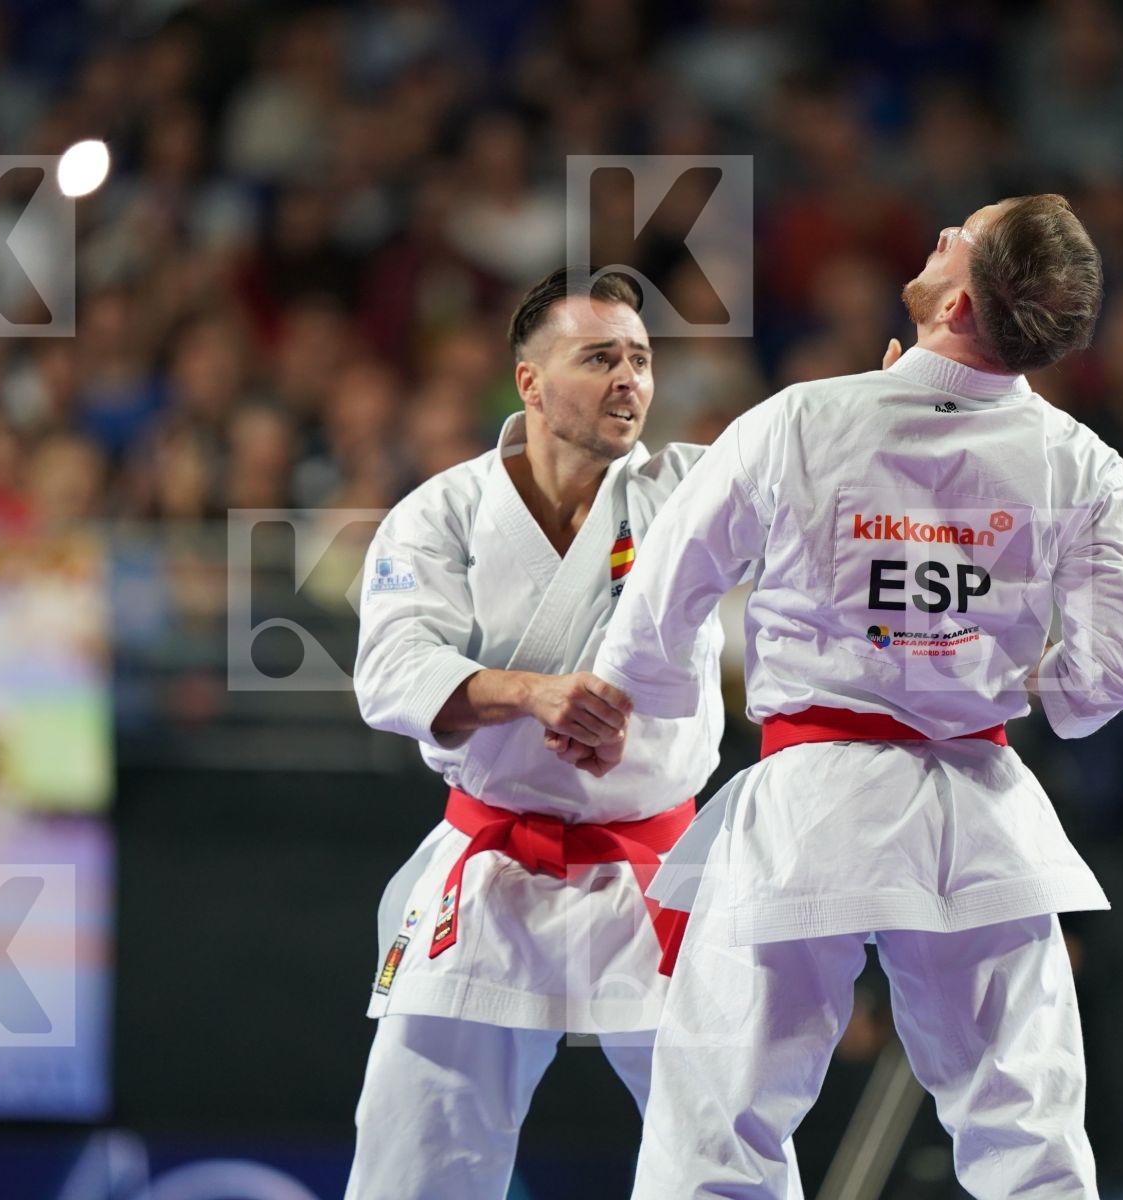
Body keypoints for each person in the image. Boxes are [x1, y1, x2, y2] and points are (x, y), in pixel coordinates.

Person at [565, 195, 1123, 1198]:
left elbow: (668, 586)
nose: (938, 236)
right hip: (980, 805)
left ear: (965, 302)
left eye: (960, 237)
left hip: (813, 806)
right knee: (1026, 1127)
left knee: (721, 1114)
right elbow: (1117, 667)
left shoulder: (807, 418)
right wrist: (1016, 681)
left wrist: (630, 703)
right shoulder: (1078, 462)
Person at [344, 266, 803, 1199]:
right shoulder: (441, 513)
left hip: (655, 868)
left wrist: (869, 415)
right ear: (530, 383)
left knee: (727, 1136)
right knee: (414, 1144)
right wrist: (531, 694)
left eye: (639, 359)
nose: (630, 378)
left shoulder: (688, 489)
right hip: (493, 862)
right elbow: (390, 672)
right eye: (600, 358)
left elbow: (803, 491)